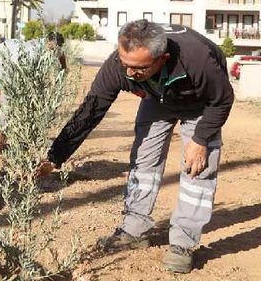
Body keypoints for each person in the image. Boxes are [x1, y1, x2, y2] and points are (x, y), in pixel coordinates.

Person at [37, 20, 234, 273]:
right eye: (125, 64)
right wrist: (55, 156)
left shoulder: (197, 60)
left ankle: (183, 243)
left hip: (200, 102)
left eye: (138, 68)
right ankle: (134, 230)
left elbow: (223, 99)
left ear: (162, 58)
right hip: (157, 96)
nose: (129, 74)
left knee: (198, 168)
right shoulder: (120, 65)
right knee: (143, 159)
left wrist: (201, 139)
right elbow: (91, 110)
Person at [0, 31, 67, 127]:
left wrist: (64, 69)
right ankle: (2, 129)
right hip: (5, 54)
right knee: (7, 98)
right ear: (48, 42)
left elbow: (61, 54)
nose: (55, 51)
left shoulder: (51, 47)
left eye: (57, 48)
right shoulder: (31, 54)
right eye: (53, 48)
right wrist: (0, 88)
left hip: (14, 48)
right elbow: (6, 72)